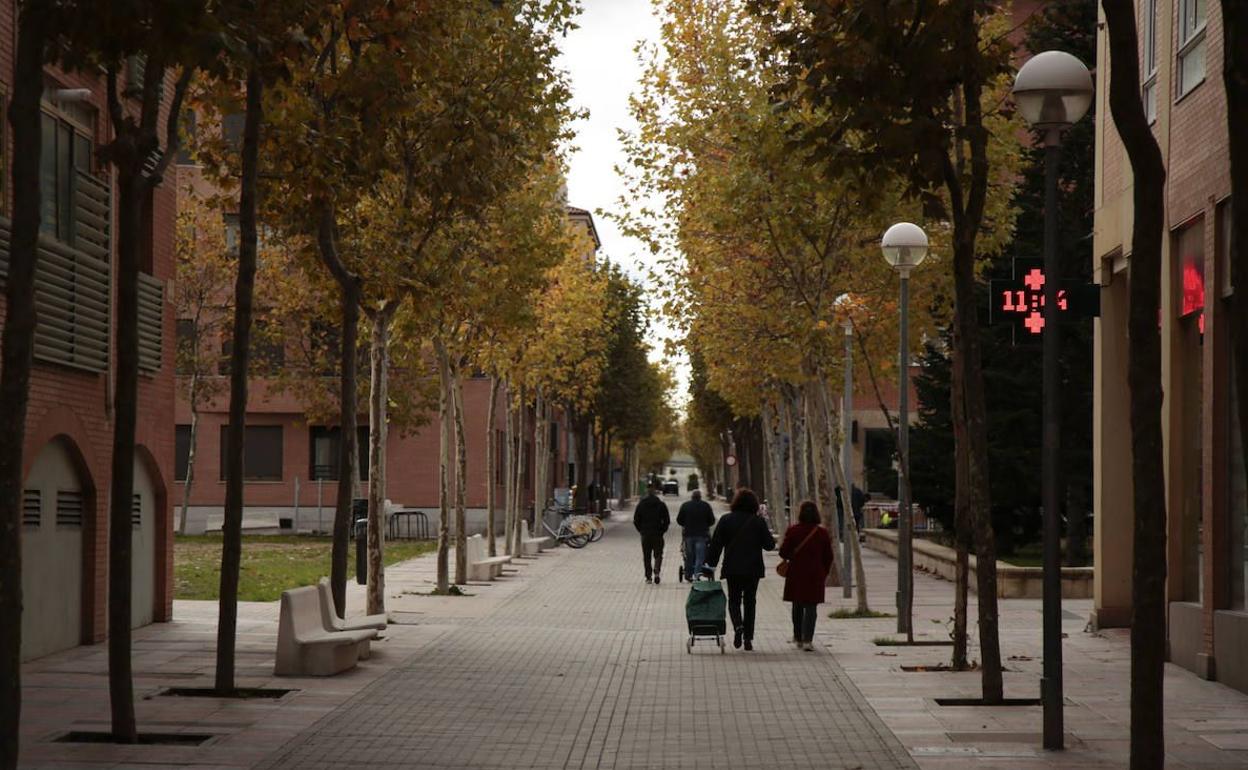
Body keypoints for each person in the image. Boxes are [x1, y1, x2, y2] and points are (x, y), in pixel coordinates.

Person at [702, 488, 775, 651]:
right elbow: (770, 545)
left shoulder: (726, 520)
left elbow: (716, 546)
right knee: (750, 601)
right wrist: (765, 526)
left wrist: (708, 566)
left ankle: (738, 626)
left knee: (734, 600)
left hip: (732, 568)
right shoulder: (758, 522)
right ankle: (748, 638)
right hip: (753, 569)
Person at [779, 501, 835, 651]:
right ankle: (808, 640)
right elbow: (828, 556)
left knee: (797, 605)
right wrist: (824, 572)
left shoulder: (793, 530)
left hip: (796, 574)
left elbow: (783, 552)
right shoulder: (822, 533)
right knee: (811, 607)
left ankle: (798, 637)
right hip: (815, 575)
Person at [632, 482, 670, 584]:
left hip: (646, 534)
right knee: (658, 554)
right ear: (655, 491)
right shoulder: (661, 504)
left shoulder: (641, 504)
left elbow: (636, 520)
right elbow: (667, 520)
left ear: (647, 491)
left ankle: (648, 577)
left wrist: (641, 530)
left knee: (646, 556)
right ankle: (657, 570)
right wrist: (662, 530)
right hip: (657, 533)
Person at [676, 489, 716, 581]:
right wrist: (706, 525)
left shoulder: (685, 506)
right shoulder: (706, 506)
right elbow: (712, 520)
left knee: (689, 555)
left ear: (692, 497)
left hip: (689, 535)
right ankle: (697, 574)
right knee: (700, 556)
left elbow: (679, 520)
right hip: (702, 535)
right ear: (700, 497)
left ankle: (688, 574)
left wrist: (685, 524)